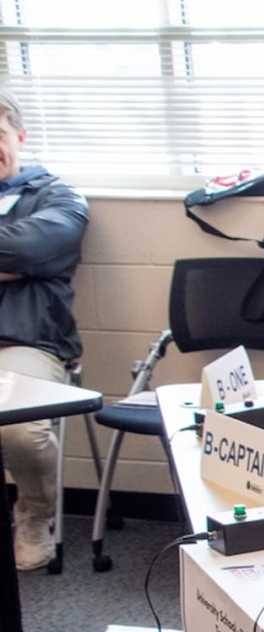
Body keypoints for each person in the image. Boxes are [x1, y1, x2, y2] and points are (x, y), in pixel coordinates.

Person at [0, 89, 89, 571]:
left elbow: (36, 248)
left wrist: (22, 260)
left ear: (19, 136)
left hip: (26, 343)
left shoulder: (57, 195)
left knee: (21, 431)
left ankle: (34, 514)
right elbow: (19, 256)